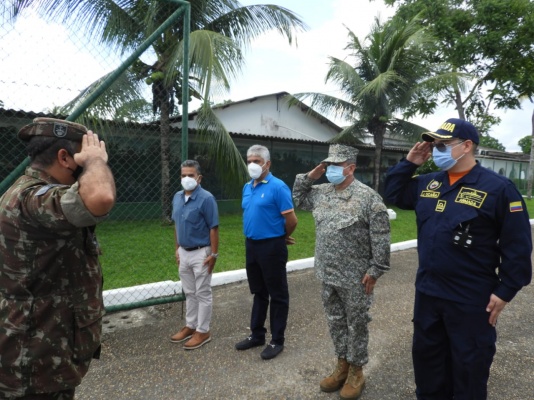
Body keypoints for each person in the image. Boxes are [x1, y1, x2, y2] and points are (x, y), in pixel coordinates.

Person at [384, 118, 532, 399]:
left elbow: (518, 245)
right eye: (434, 144)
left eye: (443, 144)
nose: (436, 149)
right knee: (428, 366)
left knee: (469, 369)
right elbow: (392, 193)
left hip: (470, 298)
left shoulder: (498, 188)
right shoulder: (429, 182)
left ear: (466, 146)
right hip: (428, 293)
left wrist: (506, 290)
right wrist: (410, 162)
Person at [0, 117, 116, 399]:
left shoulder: (29, 193)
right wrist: (96, 161)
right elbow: (100, 196)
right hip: (35, 365)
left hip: (43, 354)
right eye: (81, 154)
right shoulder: (33, 199)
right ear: (65, 157)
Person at [292, 144, 391, 399]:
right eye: (329, 165)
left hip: (356, 277)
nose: (331, 170)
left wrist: (375, 270)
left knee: (357, 323)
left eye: (336, 166)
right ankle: (342, 364)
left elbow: (380, 237)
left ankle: (357, 370)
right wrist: (311, 175)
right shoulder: (321, 192)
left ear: (351, 168)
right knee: (335, 321)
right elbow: (297, 196)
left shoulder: (368, 198)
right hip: (327, 273)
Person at [235, 144, 298, 360]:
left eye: (257, 161)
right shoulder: (247, 187)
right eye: (249, 160)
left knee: (278, 294)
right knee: (259, 292)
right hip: (251, 245)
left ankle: (277, 340)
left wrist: (280, 237)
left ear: (267, 164)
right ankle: (257, 335)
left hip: (271, 247)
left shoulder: (278, 187)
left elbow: (292, 220)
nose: (252, 164)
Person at [170, 160, 219, 350]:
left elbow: (213, 228)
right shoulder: (177, 197)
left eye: (191, 175)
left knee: (203, 292)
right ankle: (190, 326)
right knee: (189, 292)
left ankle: (203, 330)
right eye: (183, 175)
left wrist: (213, 254)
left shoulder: (206, 198)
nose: (187, 178)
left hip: (202, 252)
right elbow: (177, 225)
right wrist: (177, 248)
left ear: (199, 178)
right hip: (184, 252)